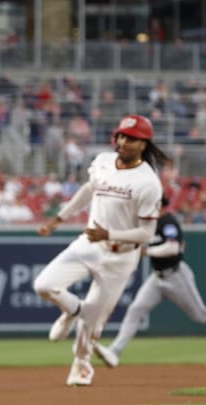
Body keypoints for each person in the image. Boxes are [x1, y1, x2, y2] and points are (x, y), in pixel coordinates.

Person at [32, 114, 170, 386]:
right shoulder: (103, 162)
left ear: (143, 144)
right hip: (91, 243)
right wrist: (59, 218)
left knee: (92, 324)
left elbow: (146, 233)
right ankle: (72, 309)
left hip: (121, 257)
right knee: (43, 285)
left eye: (130, 138)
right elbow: (88, 189)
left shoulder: (148, 183)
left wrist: (110, 233)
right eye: (120, 135)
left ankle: (81, 365)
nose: (123, 141)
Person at [94, 195, 206, 368]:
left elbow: (172, 248)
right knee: (135, 310)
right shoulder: (149, 225)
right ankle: (114, 352)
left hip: (176, 276)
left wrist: (147, 251)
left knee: (200, 315)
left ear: (160, 206)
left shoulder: (168, 222)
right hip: (157, 278)